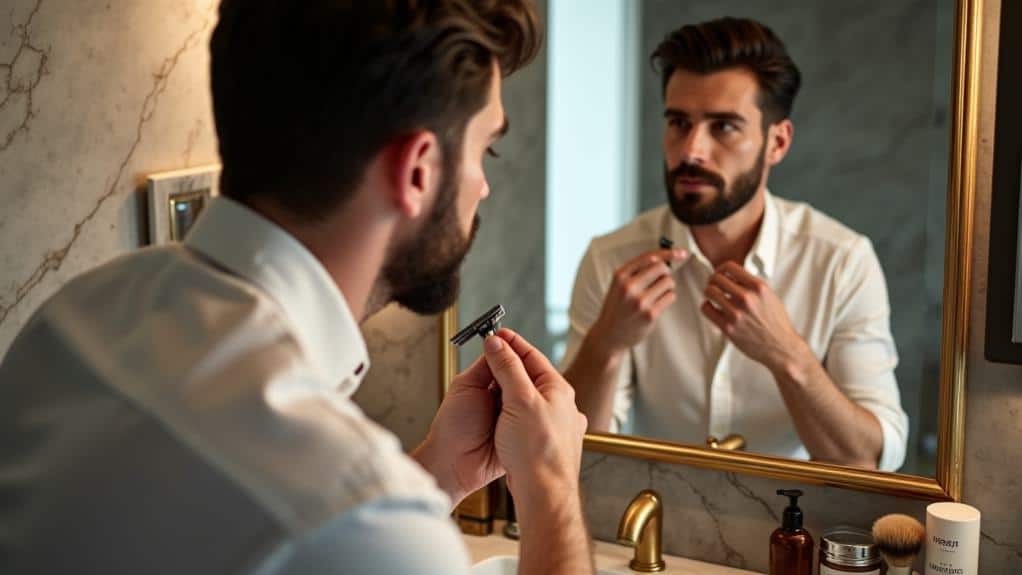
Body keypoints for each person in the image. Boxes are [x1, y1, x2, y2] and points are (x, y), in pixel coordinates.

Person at [0, 1, 593, 573]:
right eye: (484, 148)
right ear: (417, 172)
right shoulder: (353, 511)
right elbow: (333, 528)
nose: (484, 187)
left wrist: (441, 472)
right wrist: (549, 485)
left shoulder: (77, 315)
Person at [561, 17, 908, 472]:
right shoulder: (610, 260)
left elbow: (869, 463)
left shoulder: (842, 262)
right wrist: (605, 346)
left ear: (777, 142)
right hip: (649, 518)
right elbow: (571, 453)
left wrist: (788, 355)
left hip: (791, 530)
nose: (691, 151)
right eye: (678, 122)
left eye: (722, 127)